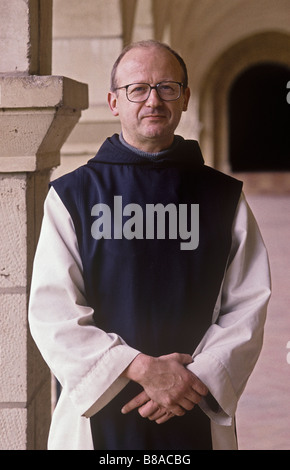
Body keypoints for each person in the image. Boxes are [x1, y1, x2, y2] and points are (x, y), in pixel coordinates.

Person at [28, 40, 271, 450]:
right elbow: (53, 311)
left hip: (194, 403)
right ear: (114, 102)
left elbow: (248, 303)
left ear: (186, 98)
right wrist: (140, 368)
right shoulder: (73, 195)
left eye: (167, 87)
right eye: (137, 88)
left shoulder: (222, 197)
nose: (153, 100)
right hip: (99, 413)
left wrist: (191, 381)